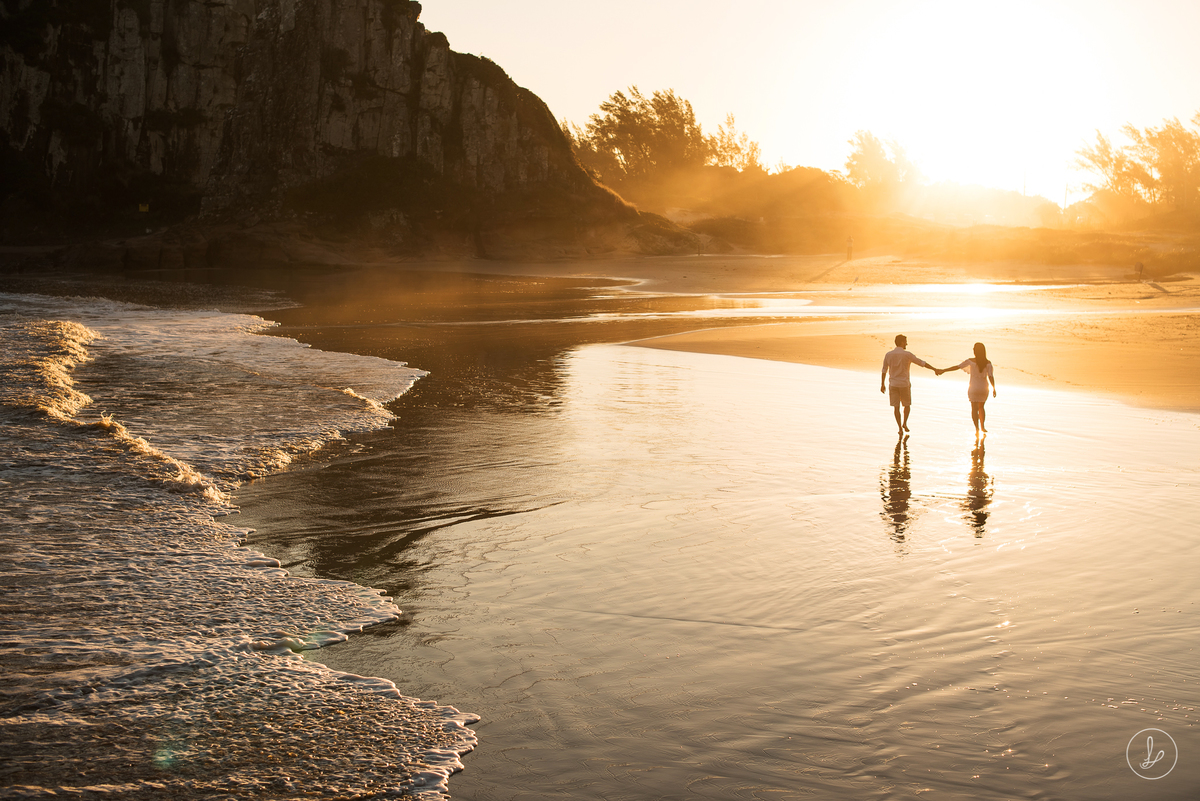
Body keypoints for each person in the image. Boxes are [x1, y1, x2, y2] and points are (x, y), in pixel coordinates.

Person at [935, 342, 997, 437]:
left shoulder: (970, 361)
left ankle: (977, 429)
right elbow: (991, 376)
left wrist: (944, 370)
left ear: (975, 351)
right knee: (981, 407)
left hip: (973, 388)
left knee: (974, 408)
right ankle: (983, 426)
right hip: (984, 388)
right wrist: (994, 388)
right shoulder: (988, 363)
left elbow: (957, 367)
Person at [880, 334, 936, 435]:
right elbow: (921, 363)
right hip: (904, 384)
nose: (907, 343)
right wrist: (934, 369)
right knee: (907, 405)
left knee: (896, 407)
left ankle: (899, 428)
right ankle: (905, 423)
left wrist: (882, 384)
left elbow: (884, 370)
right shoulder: (907, 354)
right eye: (905, 341)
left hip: (893, 384)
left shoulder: (888, 354)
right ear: (901, 342)